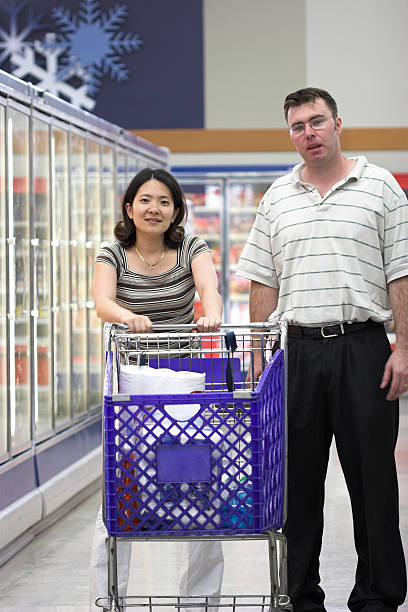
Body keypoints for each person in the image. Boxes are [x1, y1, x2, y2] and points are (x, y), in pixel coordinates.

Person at [236, 88, 408, 612]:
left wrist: (404, 349)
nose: (307, 133)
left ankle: (378, 594)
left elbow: (402, 273)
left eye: (316, 122)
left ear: (338, 124)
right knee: (297, 486)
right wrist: (260, 355)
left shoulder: (381, 188)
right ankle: (299, 593)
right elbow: (262, 281)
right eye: (297, 126)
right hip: (298, 354)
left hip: (365, 349)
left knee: (373, 482)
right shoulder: (277, 196)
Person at [90, 167, 224, 611]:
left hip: (184, 377)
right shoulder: (113, 252)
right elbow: (102, 301)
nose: (154, 209)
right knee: (122, 483)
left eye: (164, 201)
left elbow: (209, 285)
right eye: (145, 200)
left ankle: (201, 597)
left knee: (198, 481)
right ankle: (108, 596)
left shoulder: (190, 245)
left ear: (175, 210)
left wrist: (211, 312)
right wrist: (126, 316)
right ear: (130, 208)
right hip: (129, 379)